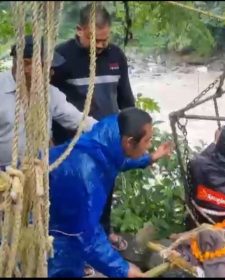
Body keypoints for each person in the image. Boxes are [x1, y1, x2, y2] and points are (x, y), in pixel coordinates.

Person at [50, 4, 136, 255]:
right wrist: (52, 140)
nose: (100, 45)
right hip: (73, 145)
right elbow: (49, 104)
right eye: (93, 39)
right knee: (77, 196)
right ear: (79, 31)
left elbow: (126, 98)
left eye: (104, 39)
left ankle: (104, 232)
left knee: (106, 191)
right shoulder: (61, 58)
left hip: (109, 141)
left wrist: (133, 132)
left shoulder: (116, 56)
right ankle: (79, 249)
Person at [48, 107, 172, 278]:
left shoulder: (107, 140)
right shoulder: (86, 175)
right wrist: (123, 269)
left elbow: (119, 161)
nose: (149, 146)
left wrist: (149, 158)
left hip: (65, 220)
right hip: (56, 235)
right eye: (147, 141)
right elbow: (86, 235)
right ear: (129, 141)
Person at [0, 35, 97, 170]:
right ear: (25, 65)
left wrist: (110, 130)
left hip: (39, 170)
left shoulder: (50, 93)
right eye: (46, 67)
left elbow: (77, 119)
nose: (51, 72)